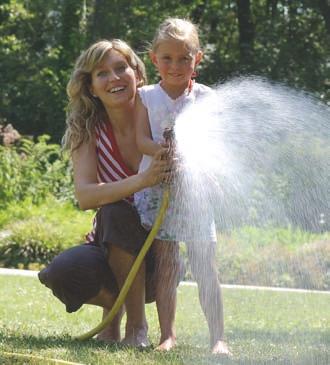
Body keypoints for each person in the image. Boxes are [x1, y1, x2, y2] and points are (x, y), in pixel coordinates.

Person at [38, 39, 178, 347]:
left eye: (121, 68)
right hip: (108, 247)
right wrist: (143, 179)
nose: (113, 78)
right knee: (62, 271)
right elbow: (86, 197)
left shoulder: (160, 119)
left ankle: (137, 328)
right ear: (90, 87)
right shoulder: (87, 129)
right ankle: (112, 318)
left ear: (137, 75)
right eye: (101, 73)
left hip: (158, 260)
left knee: (117, 211)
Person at [135, 18, 231, 355]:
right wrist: (165, 152)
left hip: (195, 193)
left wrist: (190, 157)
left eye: (184, 58)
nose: (176, 66)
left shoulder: (207, 98)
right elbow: (140, 140)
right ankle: (168, 335)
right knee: (167, 265)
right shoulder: (145, 96)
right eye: (167, 58)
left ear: (198, 59)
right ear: (153, 58)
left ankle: (218, 337)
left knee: (205, 263)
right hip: (159, 190)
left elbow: (215, 143)